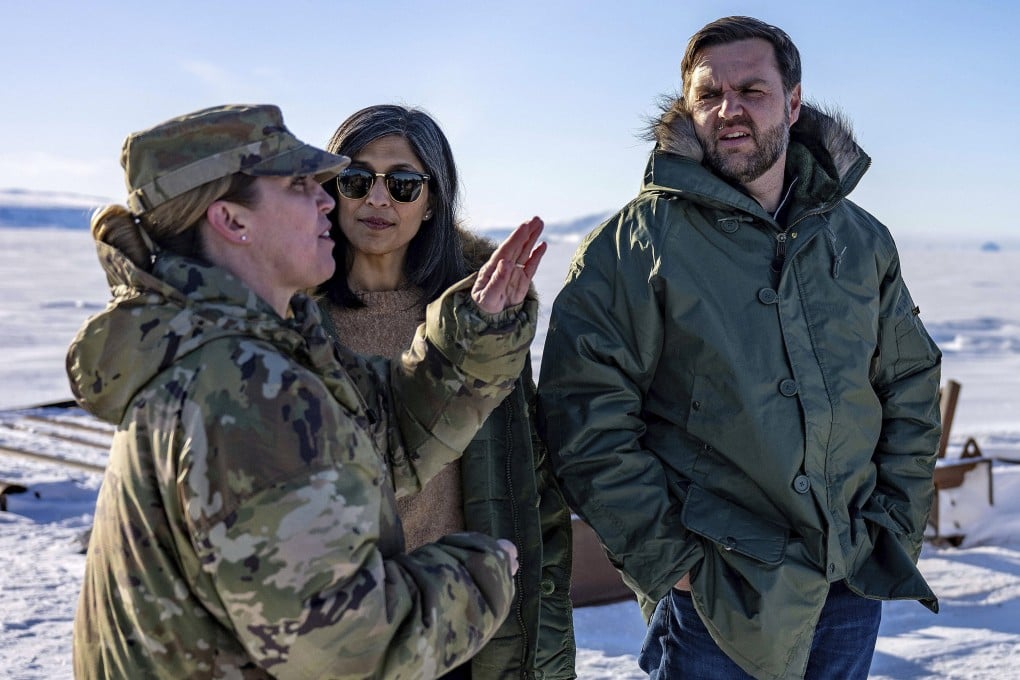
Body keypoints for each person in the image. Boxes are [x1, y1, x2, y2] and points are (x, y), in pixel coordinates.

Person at [67, 103, 548, 679]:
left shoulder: (248, 345)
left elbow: (380, 437)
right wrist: (478, 573)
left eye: (399, 185)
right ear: (232, 221)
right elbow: (342, 647)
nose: (328, 199)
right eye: (301, 185)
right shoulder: (242, 388)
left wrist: (469, 338)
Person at [536, 16, 942, 680]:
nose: (729, 110)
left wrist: (892, 523)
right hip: (717, 595)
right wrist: (674, 563)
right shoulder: (635, 247)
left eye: (752, 90)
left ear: (794, 101)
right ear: (687, 109)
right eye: (709, 95)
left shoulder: (860, 240)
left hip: (849, 577)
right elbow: (585, 417)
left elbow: (910, 381)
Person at [315, 104, 575, 680]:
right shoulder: (294, 318)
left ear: (432, 199)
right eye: (356, 179)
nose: (377, 200)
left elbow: (529, 486)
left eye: (403, 184)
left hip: (464, 619)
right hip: (339, 628)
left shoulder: (479, 318)